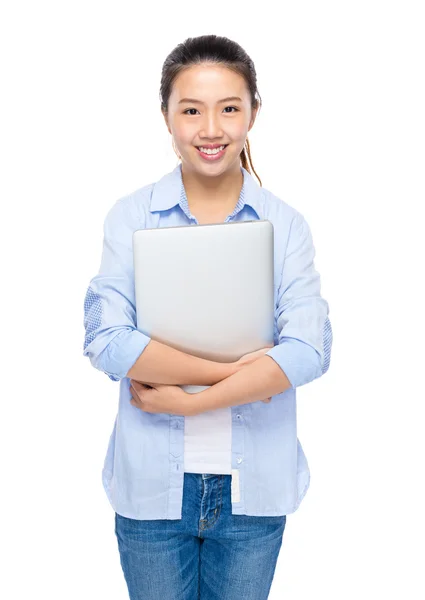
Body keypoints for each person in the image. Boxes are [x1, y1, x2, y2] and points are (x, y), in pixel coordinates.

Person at [83, 34, 333, 600]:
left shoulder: (286, 225)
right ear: (167, 117)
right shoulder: (131, 217)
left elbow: (308, 350)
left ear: (253, 114)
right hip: (151, 488)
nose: (210, 129)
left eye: (229, 108)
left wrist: (189, 397)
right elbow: (108, 341)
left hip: (254, 491)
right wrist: (242, 376)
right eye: (191, 110)